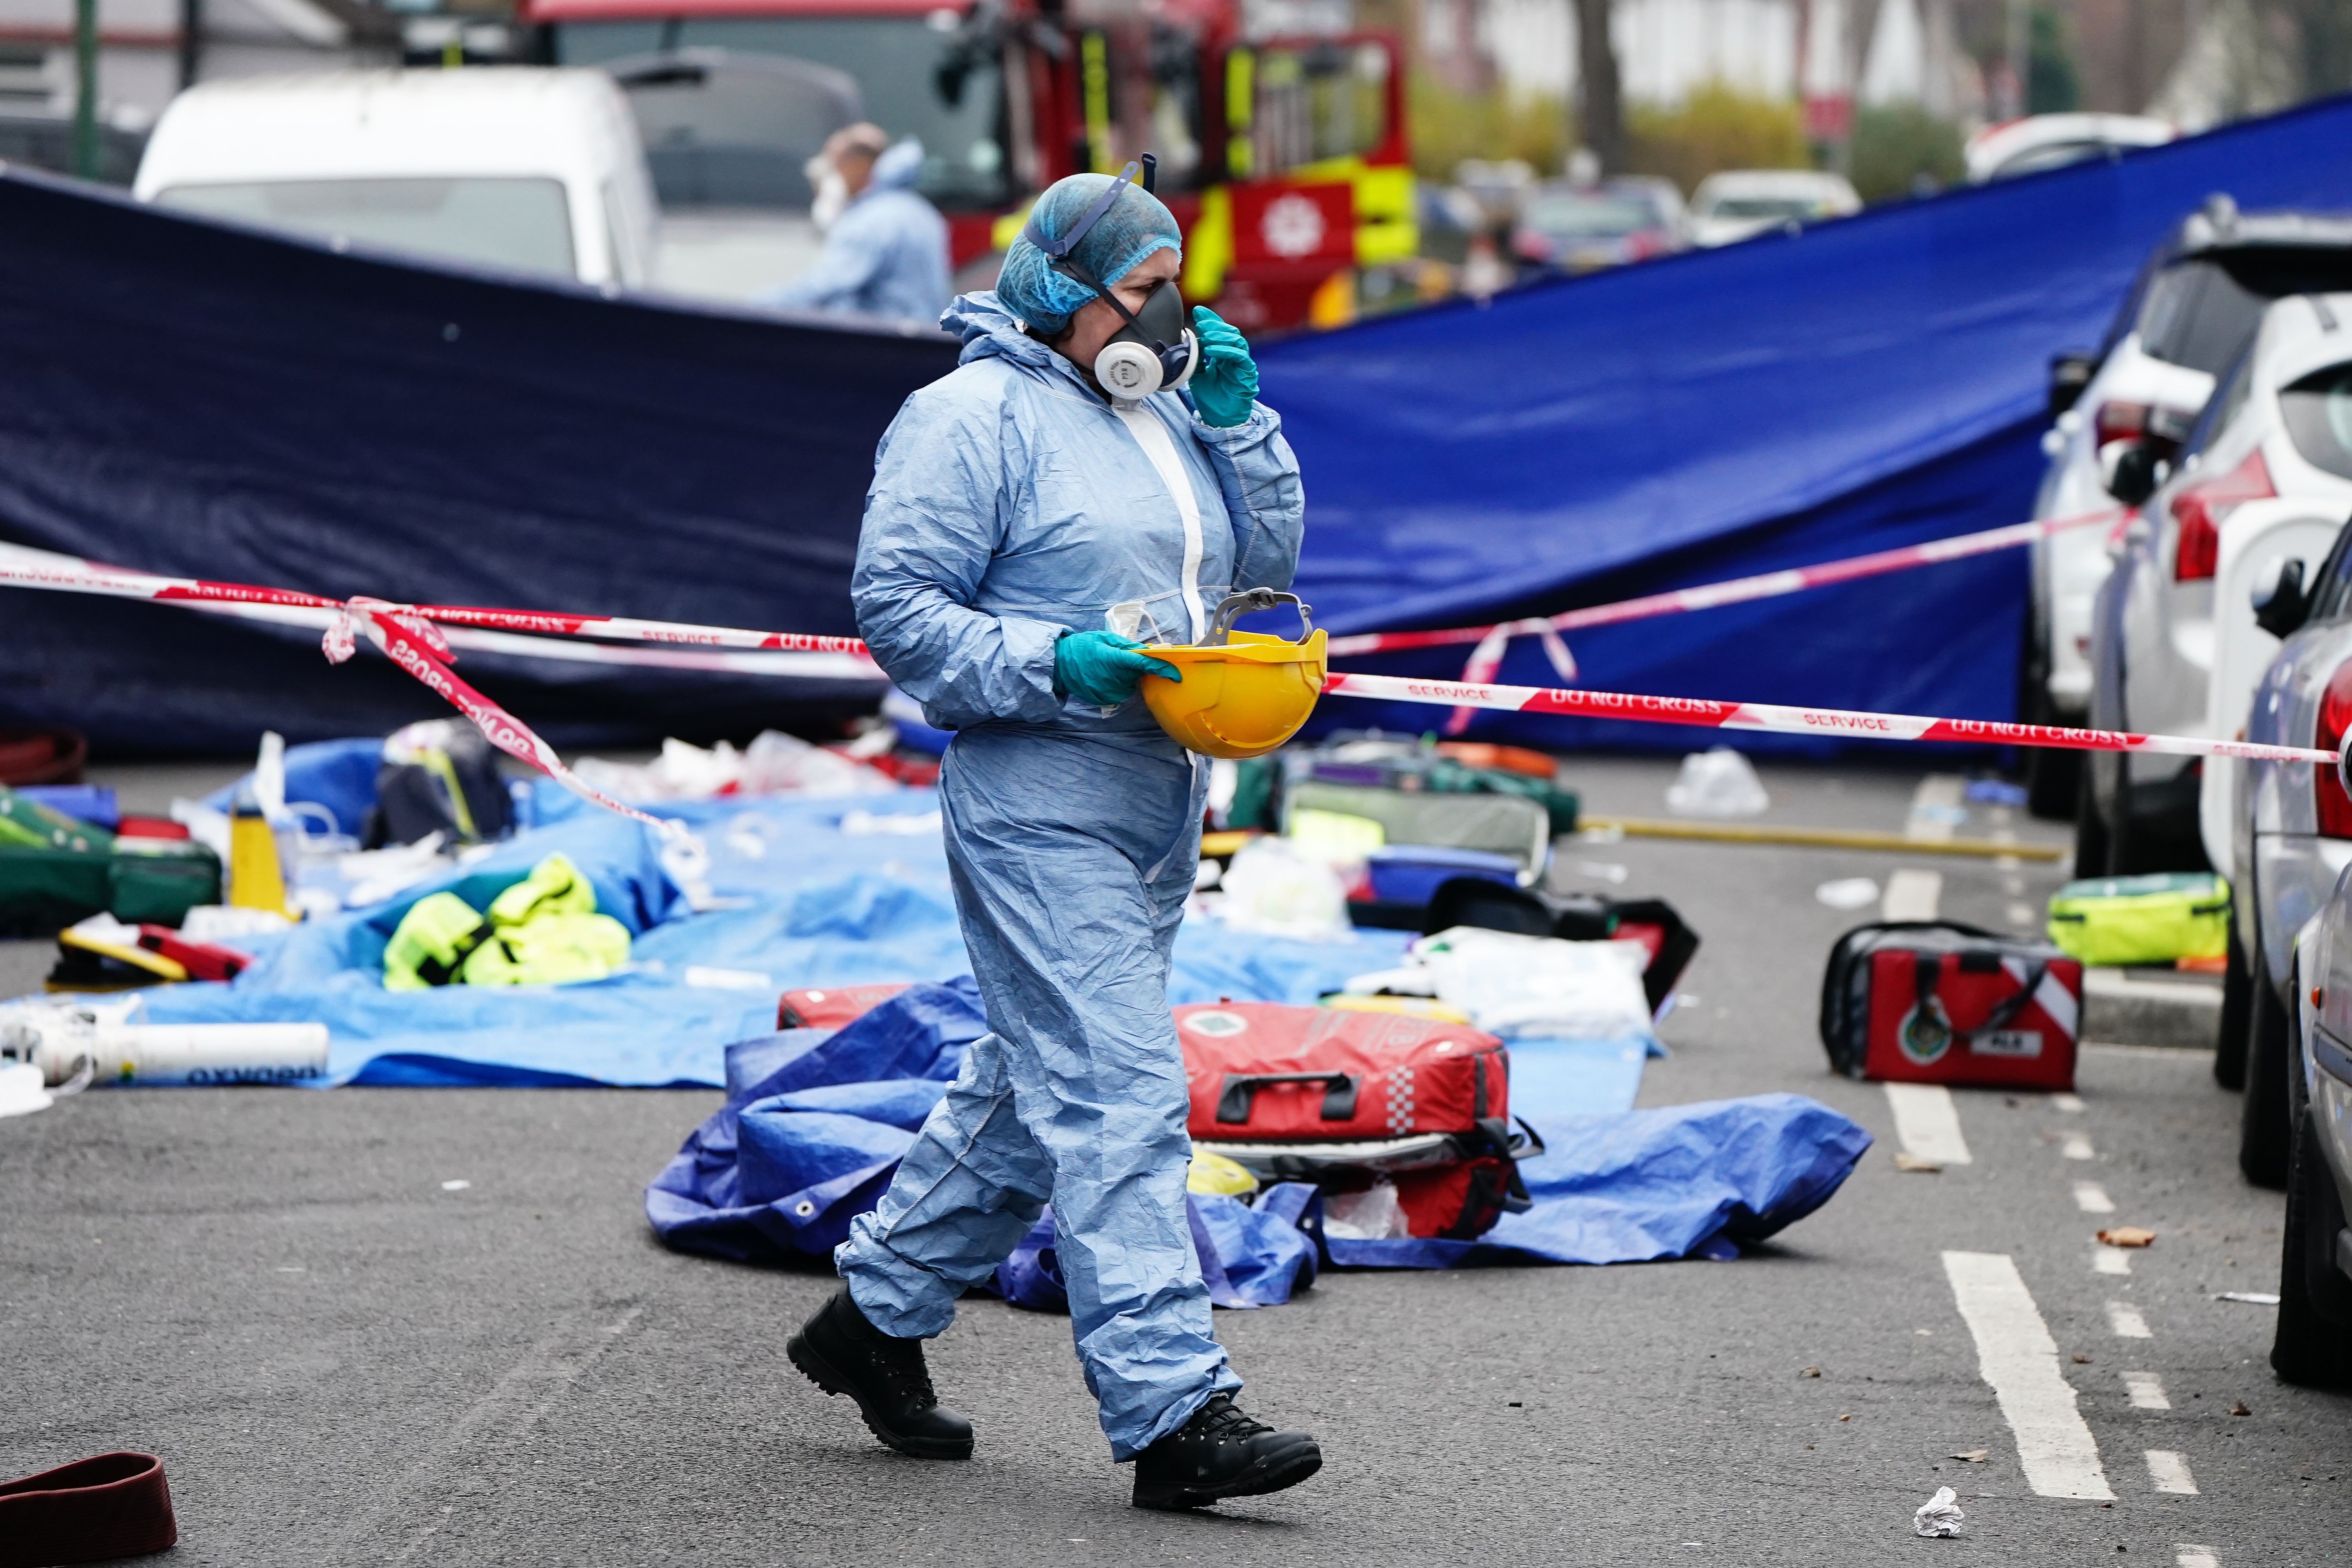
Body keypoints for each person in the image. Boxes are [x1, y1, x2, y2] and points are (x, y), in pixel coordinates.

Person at [785, 165, 1318, 1512]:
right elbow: (899, 608)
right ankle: (1172, 1409)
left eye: (1175, 284)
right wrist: (1051, 661)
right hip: (1037, 794)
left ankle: (876, 1317)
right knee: (1119, 1091)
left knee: (1035, 1088)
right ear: (1063, 289)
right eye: (1142, 290)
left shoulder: (1155, 407)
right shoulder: (967, 417)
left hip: (1157, 789)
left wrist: (1240, 428)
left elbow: (1261, 570)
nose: (1168, 312)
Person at [765, 123, 950, 324]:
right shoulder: (919, 211)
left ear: (858, 166)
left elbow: (828, 284)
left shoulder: (873, 219)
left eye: (834, 164)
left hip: (885, 343)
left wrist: (757, 308)